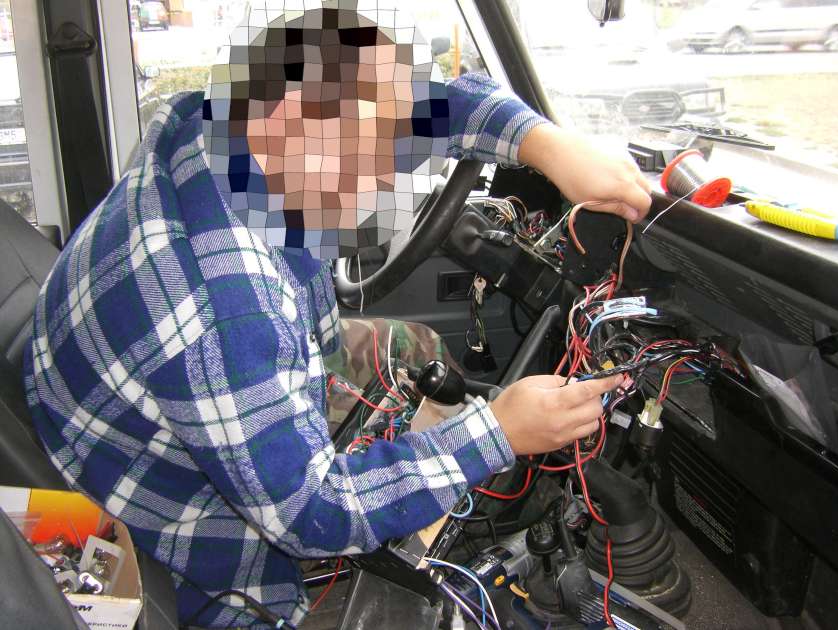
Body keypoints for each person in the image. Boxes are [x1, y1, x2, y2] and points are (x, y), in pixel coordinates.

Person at [24, 2, 651, 627]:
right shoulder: (222, 313)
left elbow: (432, 105)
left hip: (174, 401)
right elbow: (312, 516)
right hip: (193, 543)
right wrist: (498, 434)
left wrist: (545, 144)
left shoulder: (221, 119)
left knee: (413, 345)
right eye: (379, 164)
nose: (393, 183)